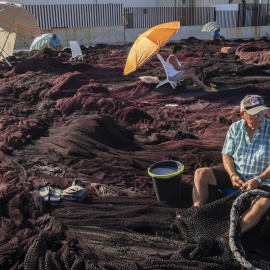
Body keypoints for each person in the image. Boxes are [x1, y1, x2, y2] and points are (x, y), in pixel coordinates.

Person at [192, 94, 270, 234]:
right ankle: (196, 215)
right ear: (243, 114)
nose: (260, 117)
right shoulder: (235, 128)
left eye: (262, 112)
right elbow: (227, 154)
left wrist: (258, 179)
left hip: (263, 179)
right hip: (238, 174)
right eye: (254, 114)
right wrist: (233, 175)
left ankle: (230, 236)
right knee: (201, 173)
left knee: (263, 203)